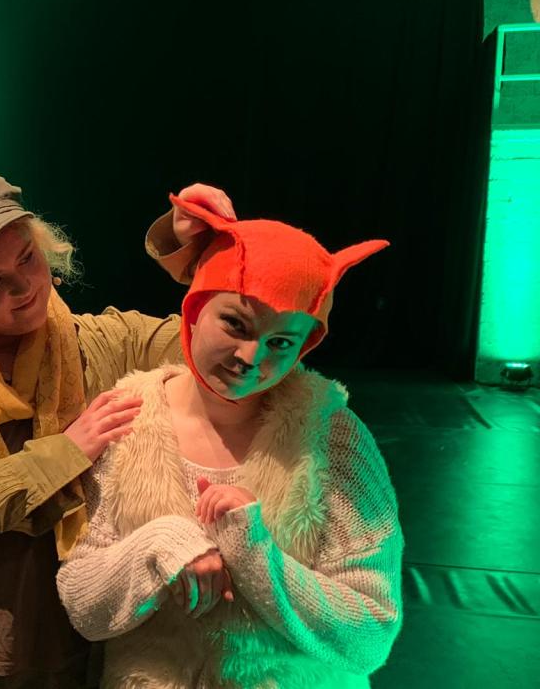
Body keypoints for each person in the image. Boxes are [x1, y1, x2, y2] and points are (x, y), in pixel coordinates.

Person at [0, 169, 234, 688]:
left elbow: (230, 343)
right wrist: (63, 454)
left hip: (72, 649)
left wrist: (209, 255)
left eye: (27, 258)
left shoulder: (95, 342)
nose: (24, 287)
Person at [56, 193, 404, 688]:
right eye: (235, 324)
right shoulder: (127, 421)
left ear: (304, 346)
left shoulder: (331, 437)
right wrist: (159, 543)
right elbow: (83, 607)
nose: (249, 356)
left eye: (280, 342)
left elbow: (370, 635)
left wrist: (256, 552)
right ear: (195, 309)